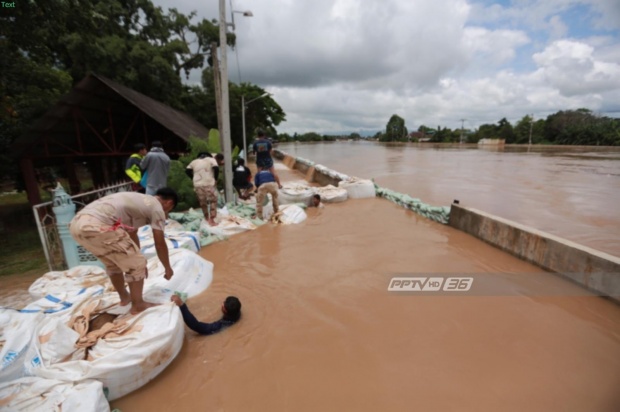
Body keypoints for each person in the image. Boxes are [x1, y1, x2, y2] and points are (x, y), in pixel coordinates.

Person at [69, 188, 178, 314]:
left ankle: (125, 298)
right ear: (169, 203)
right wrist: (167, 268)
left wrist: (137, 260)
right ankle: (138, 305)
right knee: (137, 263)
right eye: (169, 211)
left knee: (113, 263)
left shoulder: (138, 201)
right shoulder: (157, 207)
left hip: (76, 226)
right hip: (97, 225)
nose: (166, 214)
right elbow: (159, 243)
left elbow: (132, 234)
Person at [171, 295, 241, 335]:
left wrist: (182, 305)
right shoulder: (236, 312)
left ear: (224, 310)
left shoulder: (220, 325)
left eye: (223, 304)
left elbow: (197, 326)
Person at [186, 152, 221, 226]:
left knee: (203, 202)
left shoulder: (194, 161)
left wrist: (193, 177)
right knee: (213, 201)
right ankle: (212, 219)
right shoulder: (211, 159)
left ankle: (206, 218)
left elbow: (187, 170)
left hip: (197, 184)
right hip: (209, 183)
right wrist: (215, 178)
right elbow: (216, 168)